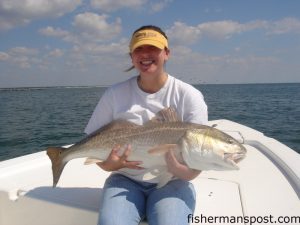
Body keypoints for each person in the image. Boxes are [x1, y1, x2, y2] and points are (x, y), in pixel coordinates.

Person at [84, 25, 208, 225]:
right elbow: (94, 146)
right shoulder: (114, 94)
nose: (145, 54)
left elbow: (193, 171)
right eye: (139, 49)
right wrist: (110, 165)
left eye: (153, 48)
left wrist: (176, 168)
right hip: (124, 179)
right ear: (131, 56)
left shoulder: (189, 95)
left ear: (166, 53)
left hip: (174, 182)